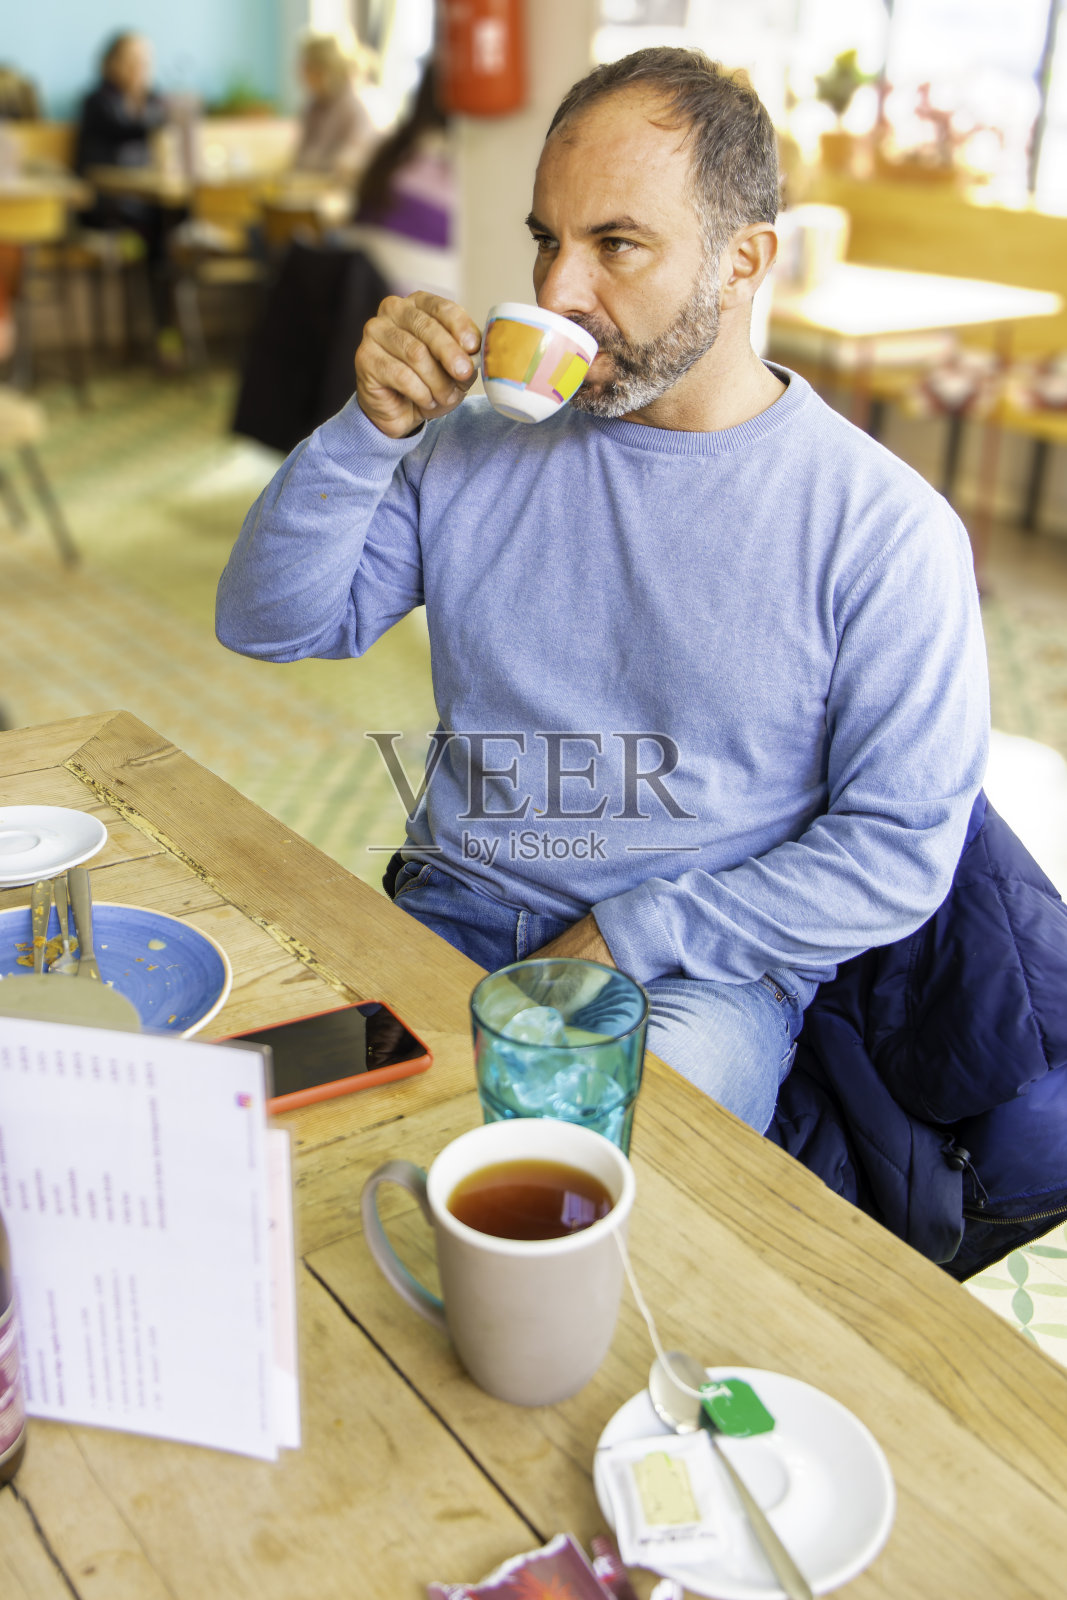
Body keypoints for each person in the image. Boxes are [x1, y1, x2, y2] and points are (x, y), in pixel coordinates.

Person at [216, 48, 989, 1134]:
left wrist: (637, 929)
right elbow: (266, 621)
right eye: (545, 240)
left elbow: (900, 846)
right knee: (256, 1110)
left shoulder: (883, 530)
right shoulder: (473, 445)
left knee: (571, 1163)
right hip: (455, 900)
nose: (555, 292)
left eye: (614, 244)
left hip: (698, 975)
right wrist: (367, 430)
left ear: (741, 261)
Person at [74, 32, 181, 350]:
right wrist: (166, 115)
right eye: (132, 59)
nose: (140, 67)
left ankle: (167, 329)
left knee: (172, 221)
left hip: (144, 203)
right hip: (104, 204)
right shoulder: (98, 102)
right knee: (160, 229)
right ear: (112, 63)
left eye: (144, 60)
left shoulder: (153, 100)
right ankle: (164, 330)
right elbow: (126, 130)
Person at [293, 35, 377, 181]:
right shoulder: (312, 107)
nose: (301, 73)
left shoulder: (352, 107)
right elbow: (301, 159)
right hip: (312, 186)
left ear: (324, 70)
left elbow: (349, 162)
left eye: (308, 67)